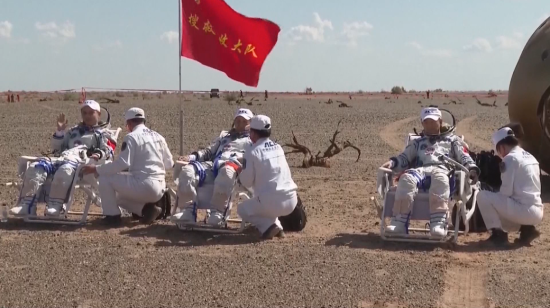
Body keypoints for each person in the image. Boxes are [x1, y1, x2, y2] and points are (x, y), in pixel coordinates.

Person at [381, 107, 480, 238]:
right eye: (427, 122)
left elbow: (463, 156)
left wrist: (471, 167)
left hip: (443, 170)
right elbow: (404, 157)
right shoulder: (417, 143)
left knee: (440, 179)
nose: (430, 125)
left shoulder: (452, 141)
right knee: (406, 179)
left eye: (433, 121)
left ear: (440, 121)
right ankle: (399, 222)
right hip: (420, 171)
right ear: (422, 123)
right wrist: (393, 163)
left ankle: (438, 223)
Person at [11, 100, 112, 217]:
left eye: (91, 113)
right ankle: (27, 205)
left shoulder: (102, 133)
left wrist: (97, 155)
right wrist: (60, 132)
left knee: (65, 170)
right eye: (84, 113)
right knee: (36, 166)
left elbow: (108, 150)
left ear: (98, 114)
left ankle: (55, 205)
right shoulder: (73, 131)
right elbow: (57, 148)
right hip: (62, 157)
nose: (87, 116)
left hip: (81, 163)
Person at [82, 107, 174, 224]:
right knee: (118, 197)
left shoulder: (131, 137)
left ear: (129, 123)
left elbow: (122, 163)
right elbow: (169, 164)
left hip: (145, 186)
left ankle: (112, 217)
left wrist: (96, 169)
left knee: (105, 179)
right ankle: (146, 210)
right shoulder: (159, 136)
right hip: (160, 188)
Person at [174, 108, 253, 226]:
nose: (240, 124)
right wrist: (190, 158)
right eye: (238, 121)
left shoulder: (253, 139)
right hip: (214, 165)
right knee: (187, 171)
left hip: (234, 168)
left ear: (250, 123)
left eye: (244, 121)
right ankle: (187, 211)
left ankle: (218, 213)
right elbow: (208, 152)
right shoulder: (224, 136)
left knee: (226, 171)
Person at [476, 127, 543, 244]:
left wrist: (493, 193)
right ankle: (527, 230)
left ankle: (498, 235)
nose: (500, 154)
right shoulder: (530, 156)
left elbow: (506, 192)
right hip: (537, 211)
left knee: (483, 196)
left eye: (499, 150)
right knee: (507, 201)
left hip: (524, 211)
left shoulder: (510, 159)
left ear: (502, 146)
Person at [237, 115, 298, 239]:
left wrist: (240, 170)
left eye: (250, 131)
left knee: (242, 209)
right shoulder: (278, 147)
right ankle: (277, 228)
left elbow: (247, 182)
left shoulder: (252, 151)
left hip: (272, 202)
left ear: (254, 133)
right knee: (265, 204)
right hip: (292, 200)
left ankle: (268, 227)